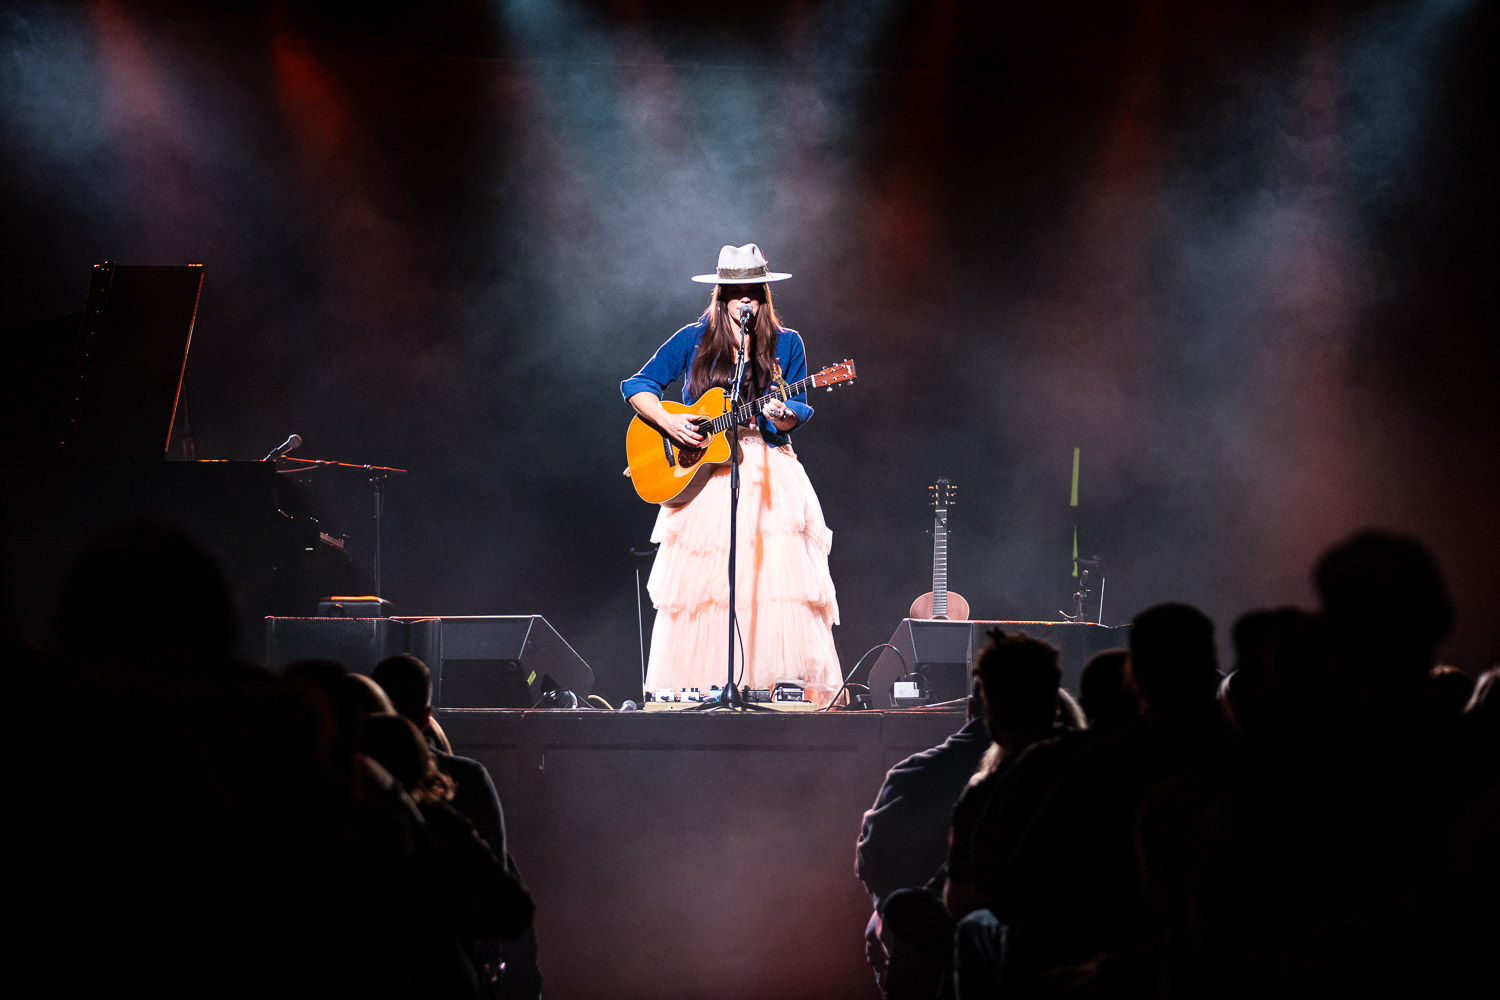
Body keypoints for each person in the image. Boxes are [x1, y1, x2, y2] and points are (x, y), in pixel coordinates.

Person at [622, 243, 841, 704]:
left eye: (753, 292)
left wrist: (780, 414)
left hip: (766, 471)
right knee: (709, 588)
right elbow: (637, 385)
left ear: (764, 295)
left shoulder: (788, 342)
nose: (745, 301)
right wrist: (669, 421)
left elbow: (796, 409)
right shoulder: (693, 337)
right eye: (734, 292)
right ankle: (701, 691)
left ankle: (769, 690)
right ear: (720, 295)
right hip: (704, 478)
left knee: (769, 581)